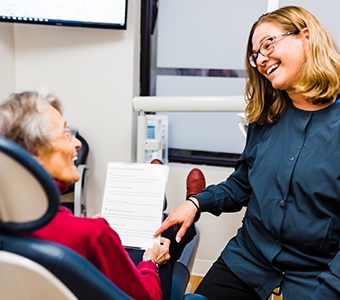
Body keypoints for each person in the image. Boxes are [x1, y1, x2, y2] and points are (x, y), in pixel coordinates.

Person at [155, 5, 340, 299]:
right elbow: (242, 184)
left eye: (268, 44)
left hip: (316, 271)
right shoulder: (267, 117)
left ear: (306, 37)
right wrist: (196, 203)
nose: (262, 59)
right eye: (256, 56)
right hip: (250, 256)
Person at [0, 90, 171, 300]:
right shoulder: (95, 235)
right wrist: (151, 262)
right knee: (172, 234)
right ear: (32, 152)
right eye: (65, 133)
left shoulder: (12, 225)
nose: (77, 143)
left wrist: (73, 224)